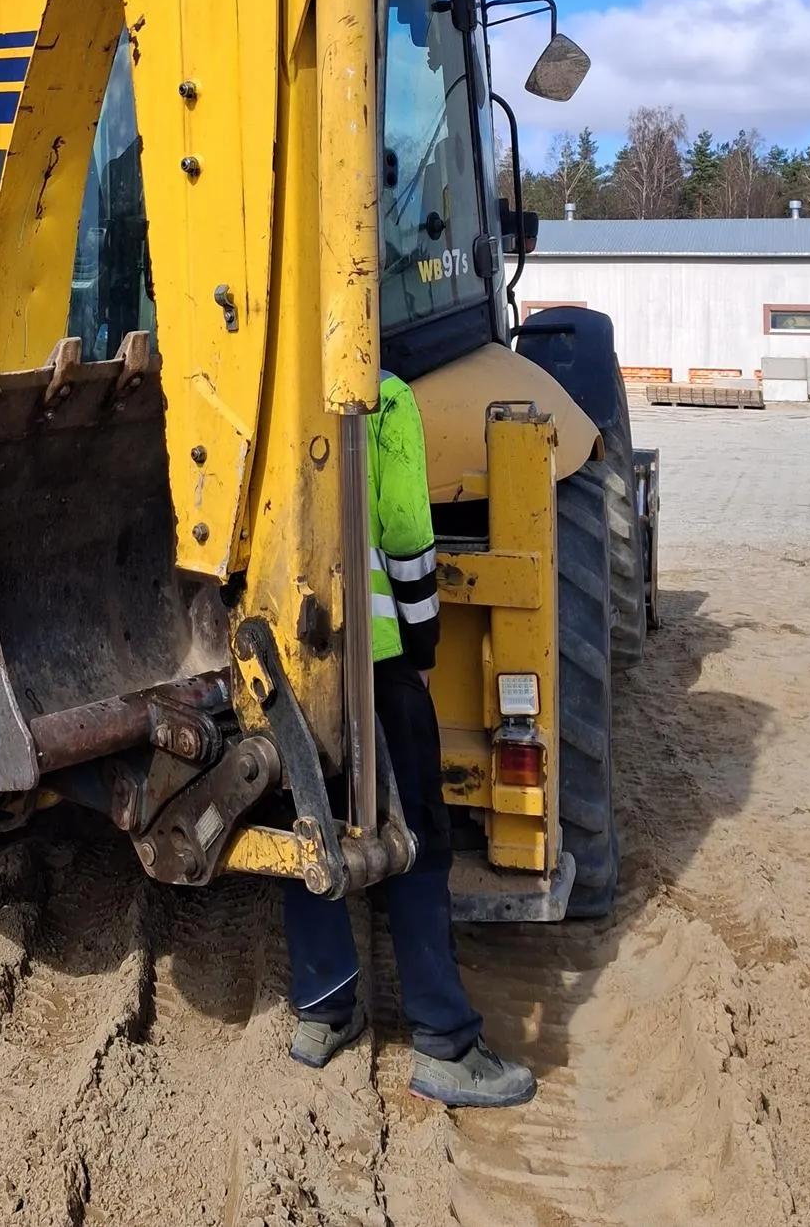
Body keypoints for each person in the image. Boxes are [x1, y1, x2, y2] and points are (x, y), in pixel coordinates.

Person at [283, 372, 537, 1108]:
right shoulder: (381, 396)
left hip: (287, 666)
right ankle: (444, 1043)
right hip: (379, 656)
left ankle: (322, 1013)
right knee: (417, 838)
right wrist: (423, 651)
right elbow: (402, 535)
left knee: (310, 829)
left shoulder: (257, 384)